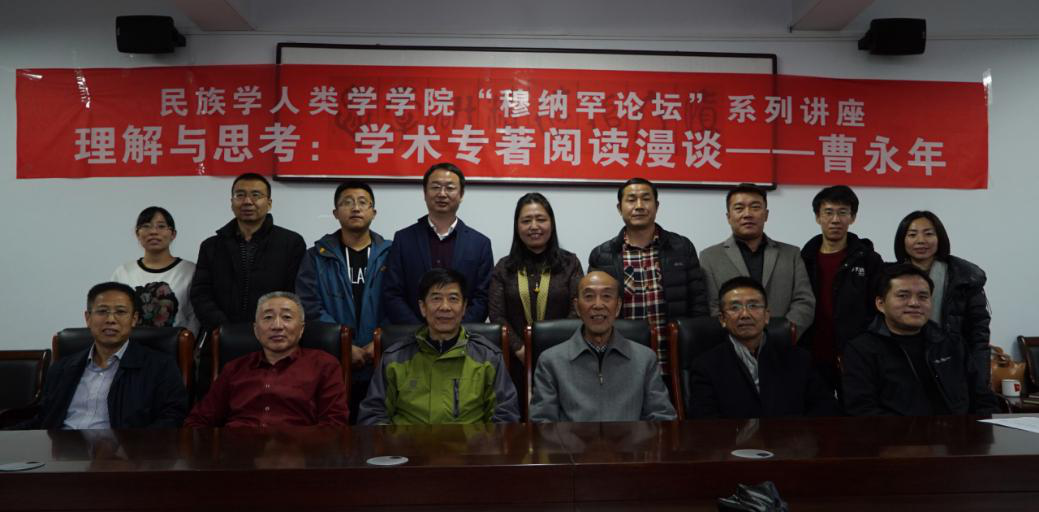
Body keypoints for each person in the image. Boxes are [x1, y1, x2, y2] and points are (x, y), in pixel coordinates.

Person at [16, 282, 187, 429]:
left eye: (120, 312)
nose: (110, 319)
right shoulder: (62, 368)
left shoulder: (160, 366)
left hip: (123, 453)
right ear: (88, 318)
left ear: (134, 319)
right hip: (62, 450)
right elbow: (43, 418)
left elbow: (173, 417)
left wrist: (133, 450)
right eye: (102, 311)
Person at [359, 268, 519, 425]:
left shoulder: (488, 358)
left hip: (470, 443)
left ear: (464, 307)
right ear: (423, 307)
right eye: (436, 298)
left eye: (453, 299)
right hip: (407, 442)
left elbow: (506, 416)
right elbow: (373, 415)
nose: (445, 307)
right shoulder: (394, 358)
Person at [843, 264, 999, 416]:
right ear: (880, 304)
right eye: (903, 296)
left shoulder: (950, 344)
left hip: (960, 431)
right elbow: (862, 410)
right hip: (898, 433)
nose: (914, 303)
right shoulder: (862, 350)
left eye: (923, 297)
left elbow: (983, 399)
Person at [295, 180, 392, 421]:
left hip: (383, 359)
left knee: (379, 430)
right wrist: (343, 344)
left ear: (373, 212)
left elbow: (398, 302)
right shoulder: (316, 256)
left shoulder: (392, 254)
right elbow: (309, 306)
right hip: (332, 360)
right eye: (347, 202)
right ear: (336, 213)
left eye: (362, 202)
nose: (355, 208)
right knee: (335, 428)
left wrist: (379, 342)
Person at [588, 177, 709, 367]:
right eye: (631, 200)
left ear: (656, 206)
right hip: (622, 362)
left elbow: (699, 305)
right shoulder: (602, 255)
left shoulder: (682, 248)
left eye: (646, 199)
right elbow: (594, 313)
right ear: (620, 208)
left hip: (676, 360)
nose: (639, 206)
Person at [184, 292, 350, 428]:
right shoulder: (234, 369)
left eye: (287, 317)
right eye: (268, 317)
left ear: (301, 329)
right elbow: (198, 421)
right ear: (256, 330)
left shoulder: (324, 365)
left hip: (298, 453)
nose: (277, 326)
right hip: (237, 451)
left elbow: (334, 424)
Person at [529, 271, 676, 422]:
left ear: (618, 306)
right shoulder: (550, 361)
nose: (598, 305)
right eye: (589, 296)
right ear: (577, 307)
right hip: (572, 439)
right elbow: (541, 424)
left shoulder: (645, 359)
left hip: (631, 438)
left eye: (606, 296)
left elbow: (663, 418)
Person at [688, 277, 837, 419]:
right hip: (733, 438)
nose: (745, 314)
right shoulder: (705, 366)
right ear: (722, 319)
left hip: (792, 436)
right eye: (734, 307)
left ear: (766, 316)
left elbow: (825, 410)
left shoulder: (799, 359)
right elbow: (705, 423)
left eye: (753, 306)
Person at [190, 172, 306, 334]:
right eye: (240, 195)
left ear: (269, 203)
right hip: (222, 335)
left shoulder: (291, 243)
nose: (247, 201)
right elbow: (201, 293)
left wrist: (271, 325)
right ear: (232, 203)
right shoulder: (211, 246)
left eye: (256, 195)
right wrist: (223, 328)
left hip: (274, 334)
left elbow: (294, 294)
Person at [382, 162, 493, 325]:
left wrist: (457, 332)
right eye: (435, 187)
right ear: (425, 193)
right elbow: (392, 293)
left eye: (450, 188)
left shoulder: (480, 244)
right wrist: (420, 332)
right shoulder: (403, 239)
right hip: (412, 335)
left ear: (461, 194)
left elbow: (482, 297)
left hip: (463, 337)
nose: (442, 194)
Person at [699, 183, 815, 339]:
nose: (747, 214)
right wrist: (739, 338)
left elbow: (804, 301)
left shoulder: (791, 254)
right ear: (729, 217)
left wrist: (783, 332)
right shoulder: (709, 257)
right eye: (739, 208)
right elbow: (712, 306)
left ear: (766, 215)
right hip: (731, 344)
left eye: (755, 207)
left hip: (781, 343)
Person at [799, 186, 883, 393]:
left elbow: (879, 309)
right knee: (817, 409)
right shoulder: (804, 259)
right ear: (818, 217)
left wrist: (862, 349)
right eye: (828, 212)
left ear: (852, 217)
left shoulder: (869, 259)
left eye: (842, 212)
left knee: (856, 408)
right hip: (813, 353)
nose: (835, 220)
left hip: (855, 354)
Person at [893, 210, 991, 386]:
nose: (921, 240)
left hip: (952, 366)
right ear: (902, 240)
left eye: (928, 234)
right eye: (912, 234)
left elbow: (978, 336)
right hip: (902, 364)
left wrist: (980, 384)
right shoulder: (889, 276)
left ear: (940, 238)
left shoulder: (965, 277)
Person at [489, 193, 583, 360]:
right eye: (526, 221)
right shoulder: (504, 267)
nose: (534, 226)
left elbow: (577, 310)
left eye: (541, 219)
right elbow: (497, 315)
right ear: (517, 226)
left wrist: (556, 351)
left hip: (563, 356)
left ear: (551, 223)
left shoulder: (570, 263)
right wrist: (519, 349)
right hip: (515, 358)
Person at [111, 206, 199, 335]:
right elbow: (114, 314)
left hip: (177, 344)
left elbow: (195, 317)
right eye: (146, 226)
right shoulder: (123, 272)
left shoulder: (190, 271)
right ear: (137, 234)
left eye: (161, 226)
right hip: (132, 344)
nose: (153, 231)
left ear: (173, 234)